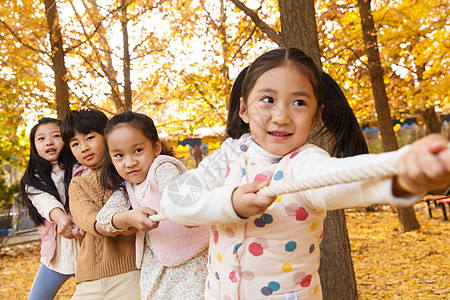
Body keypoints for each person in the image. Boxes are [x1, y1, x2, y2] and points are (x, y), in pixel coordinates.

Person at [159, 48, 450, 299]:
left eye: (298, 103)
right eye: (268, 100)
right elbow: (173, 201)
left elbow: (342, 179)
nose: (282, 115)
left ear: (315, 116)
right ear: (244, 110)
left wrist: (404, 175)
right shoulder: (230, 154)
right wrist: (229, 204)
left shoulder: (305, 162)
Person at [96, 111, 209, 299]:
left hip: (194, 259)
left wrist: (186, 210)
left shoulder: (162, 167)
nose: (130, 162)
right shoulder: (127, 187)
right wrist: (128, 217)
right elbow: (103, 219)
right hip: (156, 264)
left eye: (138, 151)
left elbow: (175, 189)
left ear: (156, 147)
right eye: (119, 155)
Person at [60, 109, 141, 299]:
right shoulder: (78, 184)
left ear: (107, 136)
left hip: (130, 272)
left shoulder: (129, 171)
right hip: (89, 277)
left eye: (89, 137)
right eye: (75, 144)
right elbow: (88, 219)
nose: (84, 148)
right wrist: (121, 222)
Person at [20, 117, 84, 300]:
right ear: (34, 146)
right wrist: (61, 218)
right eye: (41, 138)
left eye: (56, 136)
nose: (49, 142)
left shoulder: (82, 170)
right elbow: (45, 201)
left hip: (88, 255)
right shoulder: (32, 181)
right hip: (55, 257)